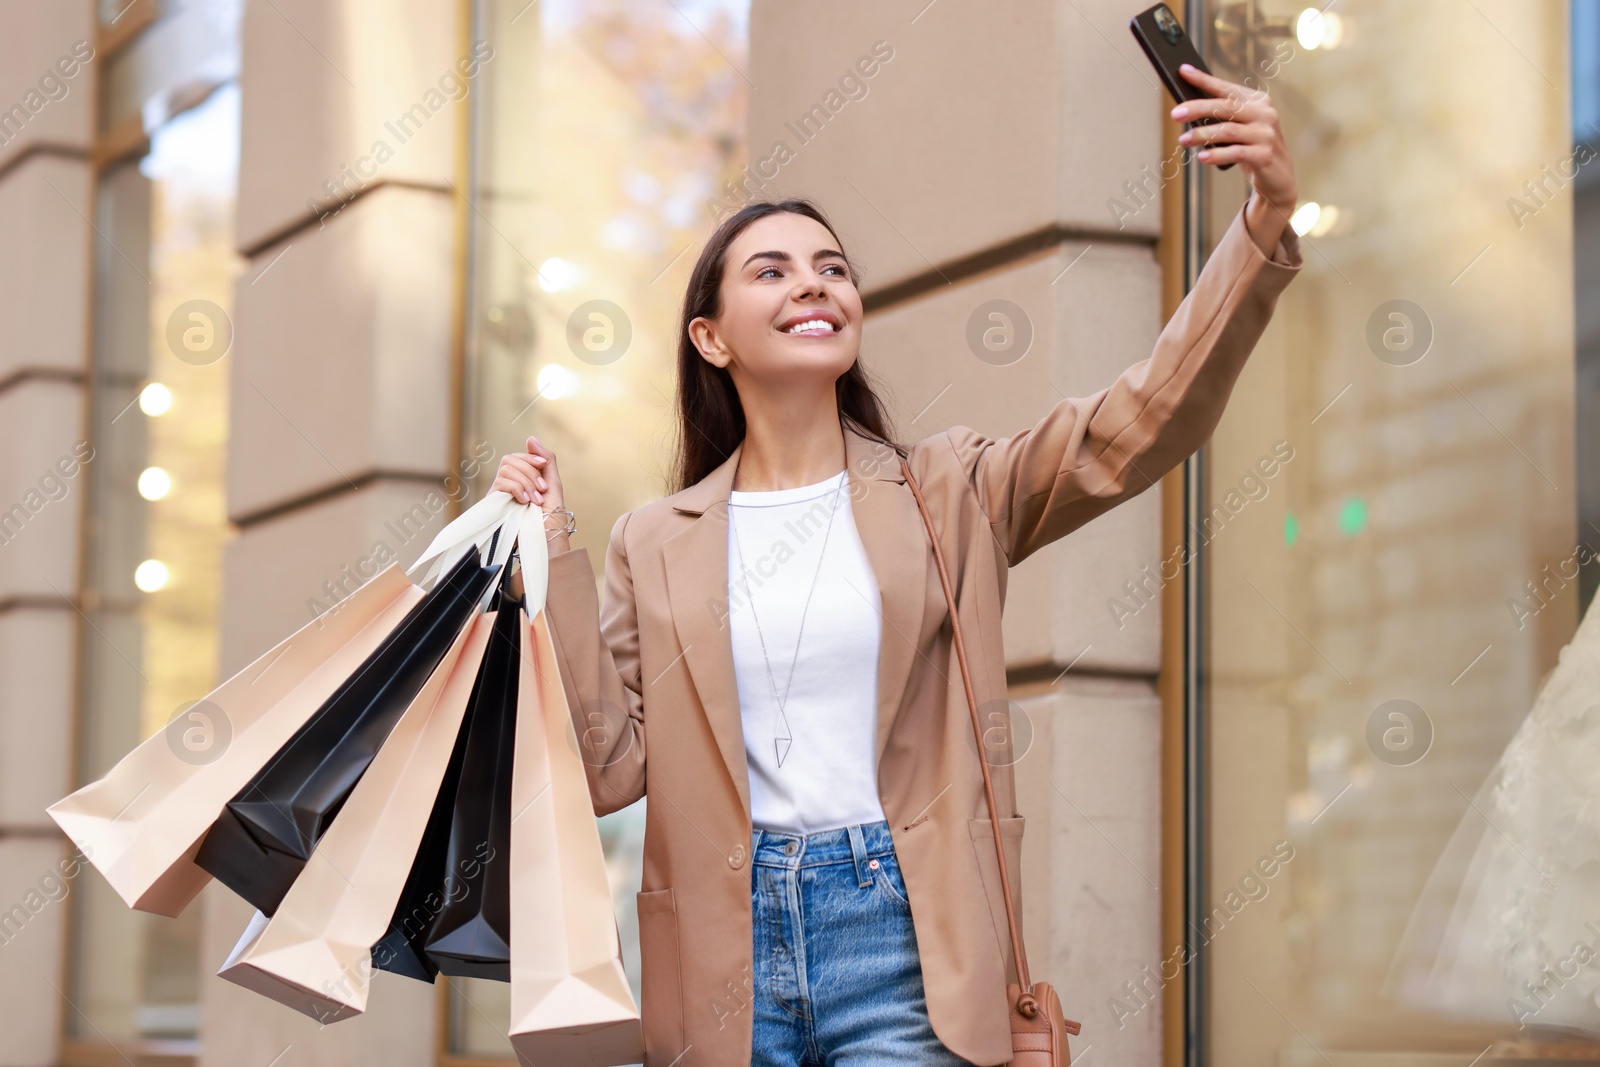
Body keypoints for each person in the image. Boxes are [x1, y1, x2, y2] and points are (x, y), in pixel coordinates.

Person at [494, 62, 1300, 1067]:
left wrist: (1263, 218)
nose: (813, 284)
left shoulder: (946, 490)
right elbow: (610, 769)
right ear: (710, 337)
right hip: (720, 960)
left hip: (904, 943)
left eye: (831, 266)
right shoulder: (653, 539)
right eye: (772, 269)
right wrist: (554, 552)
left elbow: (1139, 420)